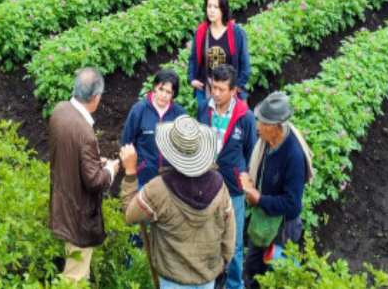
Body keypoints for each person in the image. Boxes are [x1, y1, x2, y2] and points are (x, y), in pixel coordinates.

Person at [119, 115, 236, 289]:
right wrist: (224, 260)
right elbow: (229, 229)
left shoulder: (159, 189)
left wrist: (130, 172)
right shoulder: (219, 185)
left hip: (172, 280)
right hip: (208, 278)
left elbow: (130, 213)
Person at [49, 67, 120, 282]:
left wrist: (92, 161)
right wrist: (110, 170)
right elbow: (94, 181)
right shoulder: (85, 132)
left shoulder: (60, 110)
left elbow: (68, 151)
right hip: (78, 215)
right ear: (96, 97)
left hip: (61, 202)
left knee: (76, 265)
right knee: (75, 276)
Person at [241, 92, 313, 289]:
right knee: (253, 268)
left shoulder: (293, 155)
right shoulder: (266, 142)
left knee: (275, 276)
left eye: (263, 123)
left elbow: (291, 204)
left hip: (282, 228)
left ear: (279, 127)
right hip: (263, 219)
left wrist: (259, 198)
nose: (258, 126)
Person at [195, 63, 257, 289]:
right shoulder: (203, 108)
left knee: (235, 241)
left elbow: (252, 153)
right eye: (214, 88)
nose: (216, 94)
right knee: (206, 235)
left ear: (234, 91)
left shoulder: (245, 117)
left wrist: (245, 180)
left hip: (233, 188)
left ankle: (234, 284)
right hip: (205, 184)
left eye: (222, 89)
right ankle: (209, 281)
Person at [121, 68, 188, 187]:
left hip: (170, 181)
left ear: (173, 94)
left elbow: (185, 147)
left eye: (168, 92)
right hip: (144, 179)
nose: (163, 95)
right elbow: (127, 143)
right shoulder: (139, 110)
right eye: (161, 89)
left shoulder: (180, 115)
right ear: (155, 87)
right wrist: (136, 168)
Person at [187, 0, 252, 105]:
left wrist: (236, 87)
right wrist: (191, 79)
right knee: (206, 122)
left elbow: (245, 65)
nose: (211, 10)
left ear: (223, 9)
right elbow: (193, 58)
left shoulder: (237, 33)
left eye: (216, 7)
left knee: (228, 122)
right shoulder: (201, 31)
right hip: (205, 89)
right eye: (209, 6)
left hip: (229, 92)